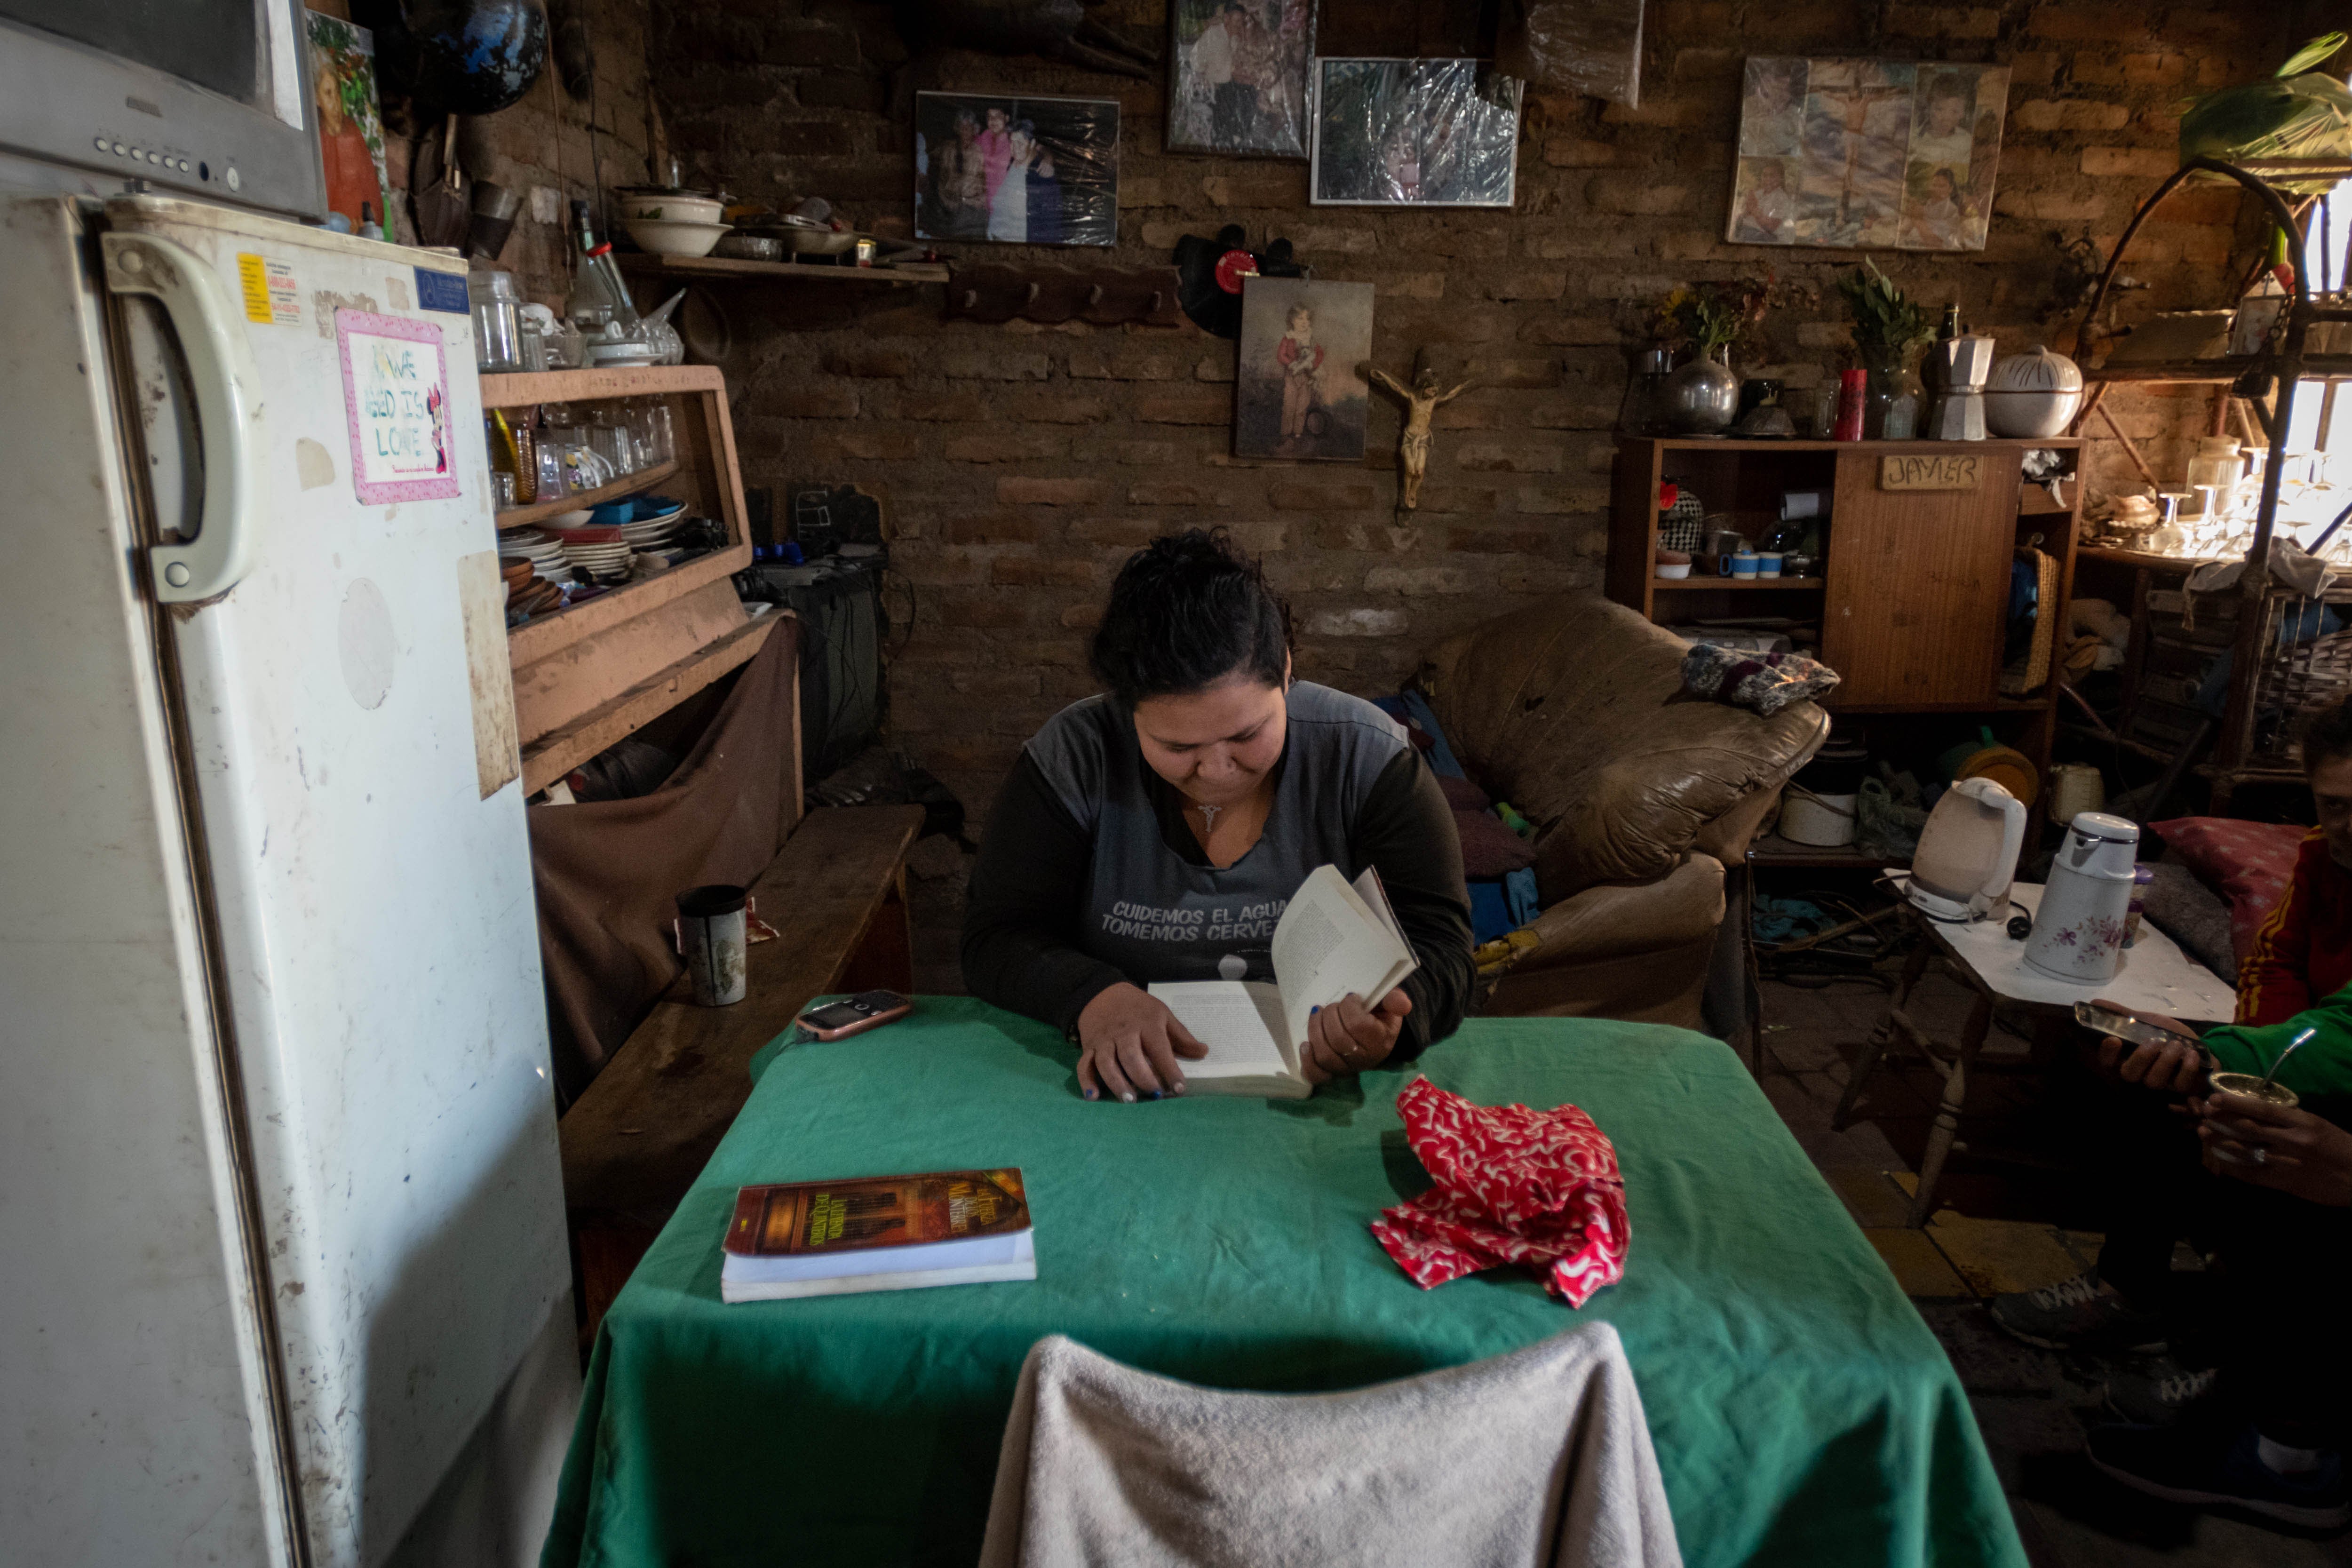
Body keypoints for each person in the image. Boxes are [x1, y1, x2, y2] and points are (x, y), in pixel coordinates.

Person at [962, 530, 1473, 1104]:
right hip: (1122, 1092)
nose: (1217, 771)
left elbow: (1443, 947)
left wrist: (1392, 1021)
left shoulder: (1368, 759)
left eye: (1247, 735)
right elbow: (995, 937)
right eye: (1177, 748)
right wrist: (1090, 996)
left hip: (1314, 1105)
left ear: (1283, 671)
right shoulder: (1073, 761)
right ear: (1125, 711)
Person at [1993, 700, 2352, 1362]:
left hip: (2336, 1066)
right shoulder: (2323, 856)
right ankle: (2131, 1293)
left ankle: (2246, 1365)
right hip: (2303, 1049)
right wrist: (2244, 1080)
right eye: (2335, 806)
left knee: (2226, 1102)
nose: (2350, 826)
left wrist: (2226, 1063)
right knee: (2149, 1076)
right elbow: (2277, 962)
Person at [1275, 303, 1323, 447]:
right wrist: (1292, 363)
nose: (1305, 322)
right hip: (1292, 377)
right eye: (1301, 319)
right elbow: (1281, 355)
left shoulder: (1311, 337)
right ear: (1292, 321)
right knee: (1289, 405)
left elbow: (1320, 354)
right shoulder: (1288, 338)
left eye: (1307, 319)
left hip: (1307, 377)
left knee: (1302, 406)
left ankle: (1298, 433)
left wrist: (1312, 364)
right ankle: (1285, 433)